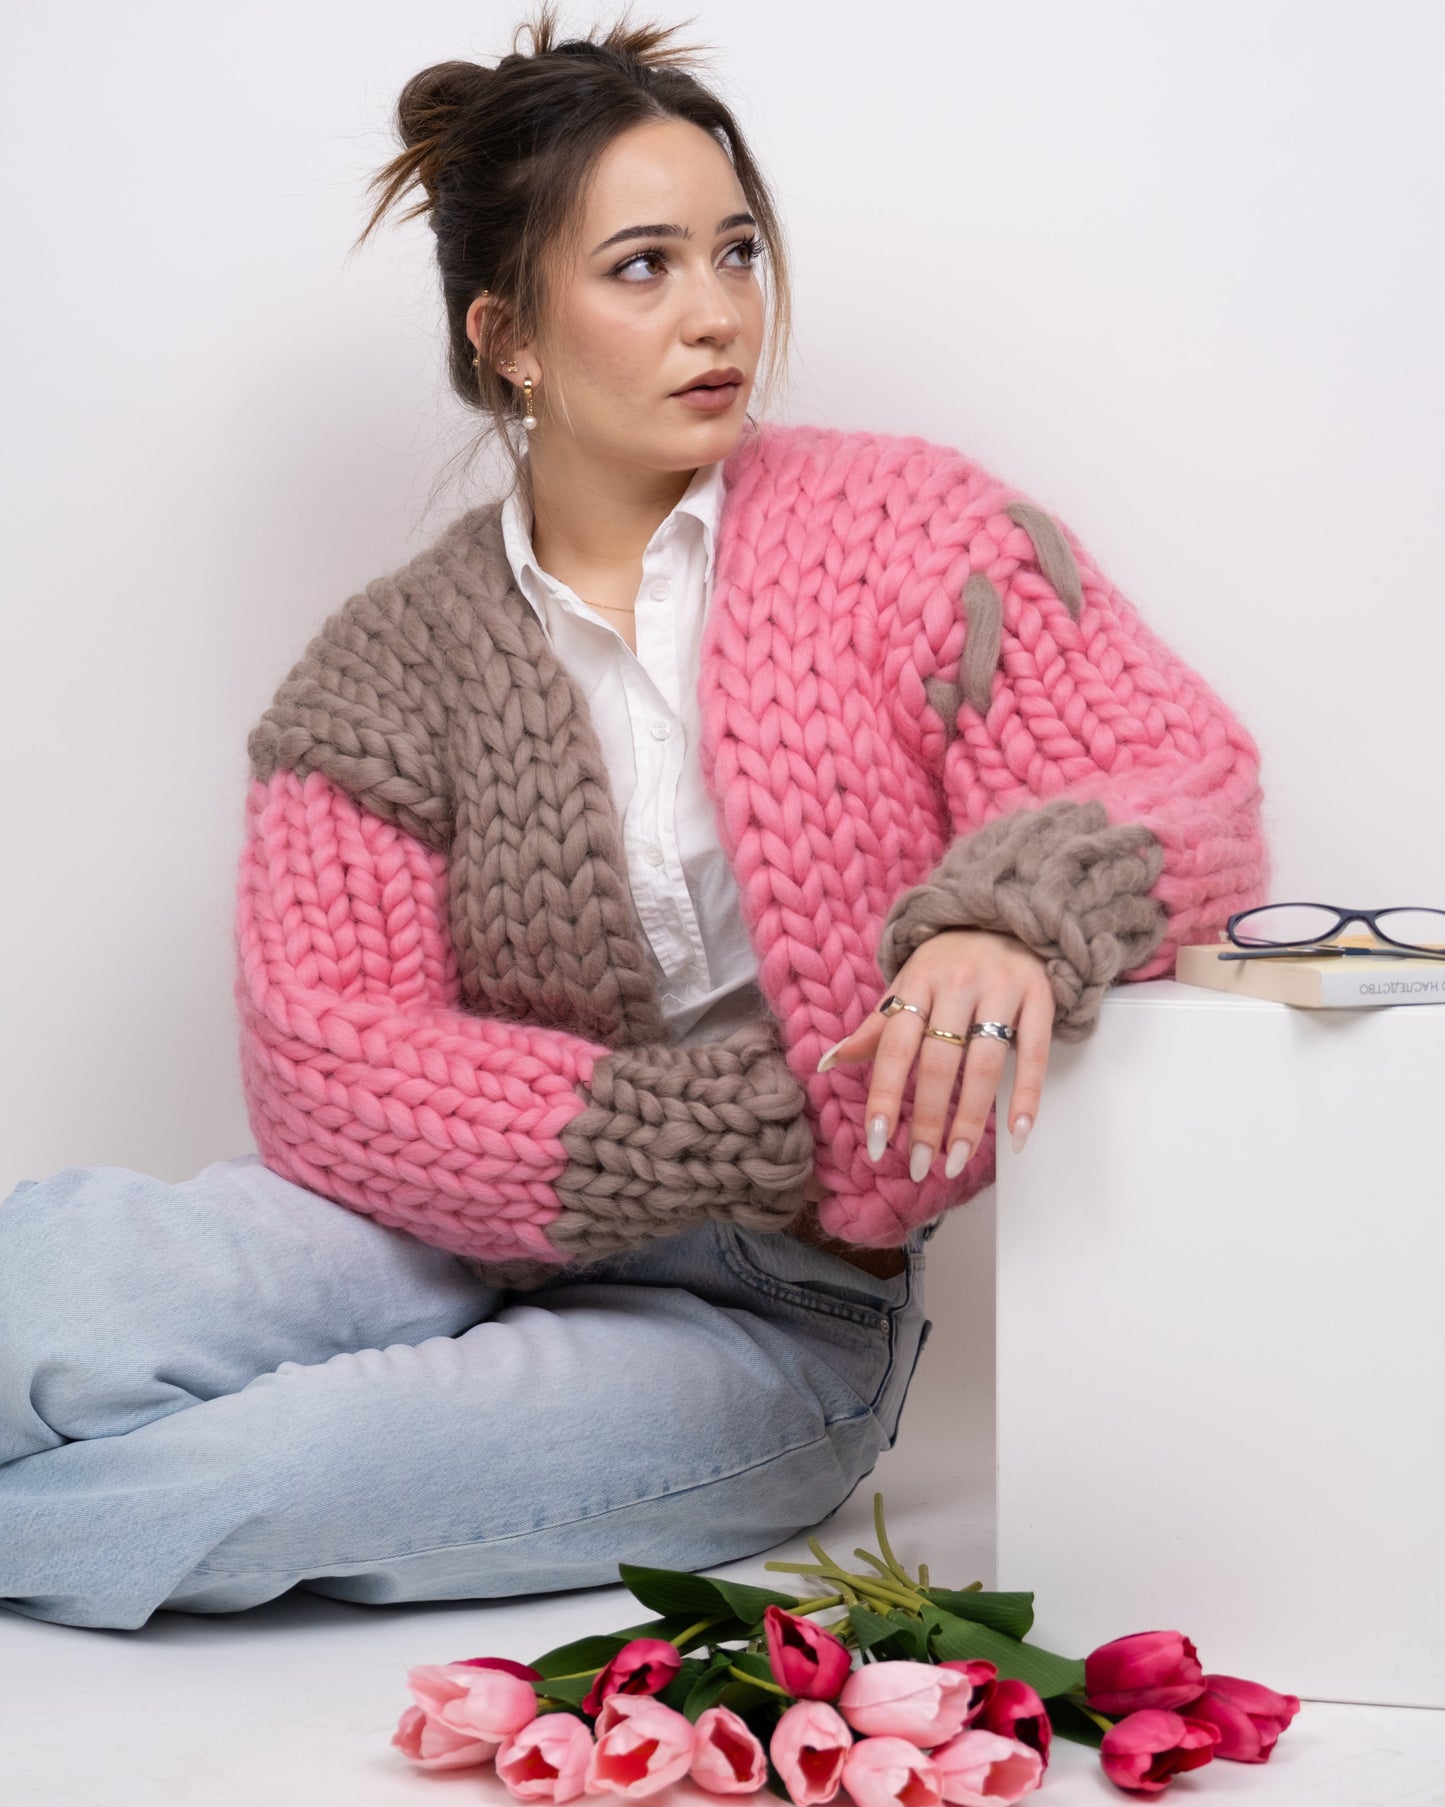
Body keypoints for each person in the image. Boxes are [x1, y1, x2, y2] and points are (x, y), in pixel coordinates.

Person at [0, 6, 1271, 1632]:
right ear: (508, 335)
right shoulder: (387, 660)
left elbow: (1184, 786)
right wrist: (747, 1126)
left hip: (773, 1312)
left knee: (274, 1469)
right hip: (428, 1230)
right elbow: (324, 1053)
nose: (715, 313)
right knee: (51, 1283)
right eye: (643, 266)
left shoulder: (908, 531)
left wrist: (995, 915)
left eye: (735, 252)